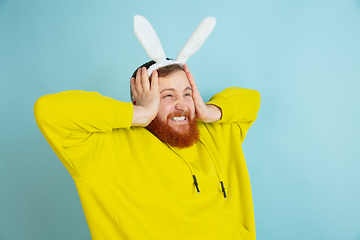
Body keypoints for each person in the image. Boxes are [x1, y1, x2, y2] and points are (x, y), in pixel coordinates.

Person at [34, 61, 261, 240]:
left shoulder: (216, 133)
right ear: (143, 101)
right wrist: (140, 114)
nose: (181, 104)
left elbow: (252, 99)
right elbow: (48, 110)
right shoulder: (106, 149)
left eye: (187, 93)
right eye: (167, 96)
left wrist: (210, 110)